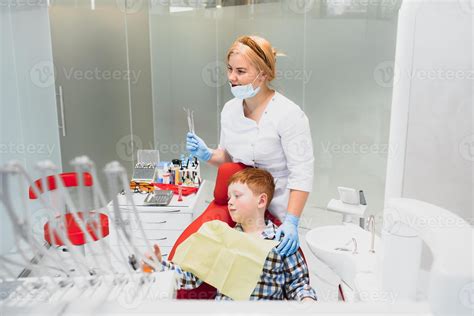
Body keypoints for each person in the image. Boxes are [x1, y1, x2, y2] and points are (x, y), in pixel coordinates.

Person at [186, 35, 314, 257]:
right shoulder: (229, 110)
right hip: (244, 208)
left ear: (263, 74)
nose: (232, 77)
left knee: (274, 269)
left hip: (278, 207)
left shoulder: (288, 115)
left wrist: (292, 221)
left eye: (241, 71)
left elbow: (302, 173)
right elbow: (227, 159)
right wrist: (206, 154)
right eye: (230, 69)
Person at [146, 168, 317, 301]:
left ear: (261, 200)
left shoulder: (281, 242)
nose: (230, 202)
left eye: (237, 196)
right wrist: (160, 265)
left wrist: (307, 301)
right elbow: (190, 277)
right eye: (228, 198)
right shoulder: (221, 237)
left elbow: (298, 285)